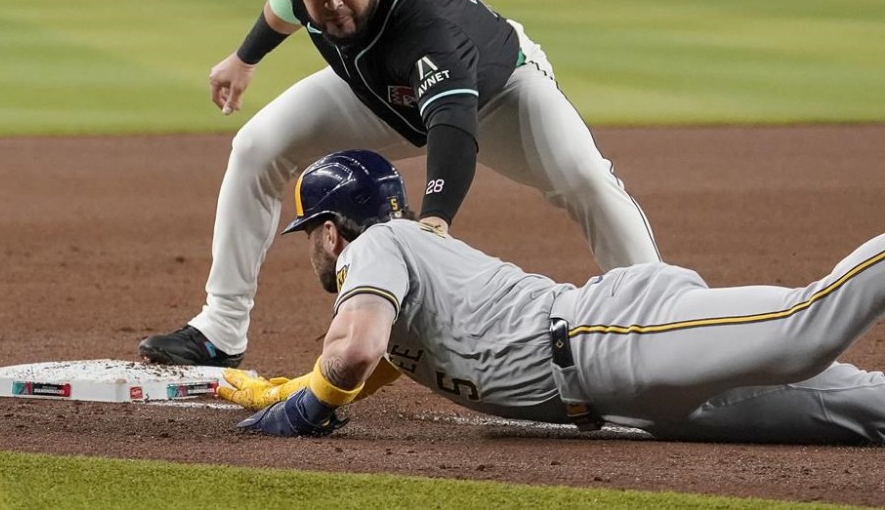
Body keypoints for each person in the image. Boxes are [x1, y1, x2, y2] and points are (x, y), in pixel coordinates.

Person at [138, 0, 659, 369]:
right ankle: (221, 331)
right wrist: (242, 60)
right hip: (384, 94)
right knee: (255, 148)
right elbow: (280, 5)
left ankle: (660, 318)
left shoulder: (428, 24)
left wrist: (433, 221)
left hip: (499, 95)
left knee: (584, 179)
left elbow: (453, 127)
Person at [218, 150, 885, 444]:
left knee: (804, 329)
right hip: (634, 402)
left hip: (612, 337)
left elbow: (357, 353)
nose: (310, 246)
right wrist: (284, 390)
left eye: (309, 232)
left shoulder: (376, 248)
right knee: (867, 413)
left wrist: (307, 408)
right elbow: (383, 359)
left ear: (331, 232)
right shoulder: (411, 271)